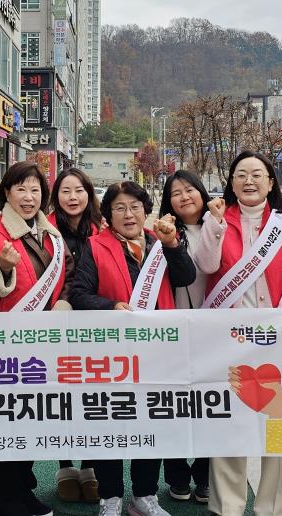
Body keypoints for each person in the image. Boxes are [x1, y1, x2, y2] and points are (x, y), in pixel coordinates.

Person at [71, 180, 198, 516]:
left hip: (157, 353)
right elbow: (79, 294)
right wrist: (111, 306)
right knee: (109, 422)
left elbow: (185, 277)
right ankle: (110, 497)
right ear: (108, 215)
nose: (128, 215)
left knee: (151, 422)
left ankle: (144, 495)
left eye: (135, 207)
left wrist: (173, 246)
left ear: (145, 211)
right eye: (120, 208)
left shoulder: (160, 241)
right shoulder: (94, 246)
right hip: (111, 354)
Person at [198, 151, 282, 516]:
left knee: (280, 421)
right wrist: (215, 225)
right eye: (241, 174)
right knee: (229, 423)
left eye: (257, 174)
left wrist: (276, 321)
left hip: (278, 340)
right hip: (228, 340)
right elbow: (207, 265)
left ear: (270, 182)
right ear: (231, 183)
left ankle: (274, 507)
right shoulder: (216, 219)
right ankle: (227, 506)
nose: (249, 181)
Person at [0, 161, 74, 516]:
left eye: (35, 190)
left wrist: (63, 303)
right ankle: (6, 498)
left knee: (32, 421)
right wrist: (2, 267)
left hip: (44, 347)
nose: (29, 198)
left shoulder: (51, 235)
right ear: (7, 193)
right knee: (8, 423)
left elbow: (70, 274)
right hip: (7, 349)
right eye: (21, 189)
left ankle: (24, 490)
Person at [156, 170, 220, 504]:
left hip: (214, 331)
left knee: (210, 405)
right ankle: (178, 476)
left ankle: (206, 476)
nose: (184, 197)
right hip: (173, 331)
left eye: (190, 189)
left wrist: (215, 222)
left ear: (201, 192)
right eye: (176, 192)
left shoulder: (219, 225)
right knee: (174, 405)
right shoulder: (162, 231)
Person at [47, 167, 102, 503]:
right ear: (56, 196)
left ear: (88, 194)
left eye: (79, 190)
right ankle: (65, 466)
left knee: (93, 397)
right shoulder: (44, 230)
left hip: (96, 325)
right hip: (57, 324)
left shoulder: (102, 228)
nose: (72, 197)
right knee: (61, 397)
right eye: (65, 191)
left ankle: (90, 466)